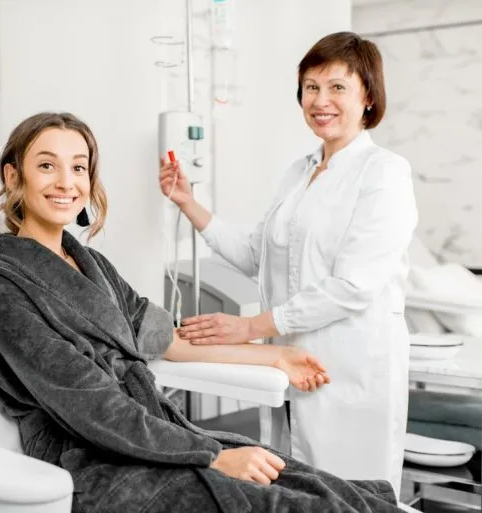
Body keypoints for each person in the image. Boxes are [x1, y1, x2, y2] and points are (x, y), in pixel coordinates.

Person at [0, 111, 409, 512]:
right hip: (91, 460)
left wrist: (275, 355)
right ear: (13, 176)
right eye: (47, 166)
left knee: (325, 488)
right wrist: (212, 456)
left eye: (78, 167)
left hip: (154, 435)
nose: (67, 182)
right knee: (284, 503)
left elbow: (169, 341)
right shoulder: (0, 285)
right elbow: (89, 405)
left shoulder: (91, 264)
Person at [159, 31, 418, 494]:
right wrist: (188, 202)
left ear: (368, 96)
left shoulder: (384, 173)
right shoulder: (299, 171)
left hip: (349, 367)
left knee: (348, 494)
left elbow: (353, 286)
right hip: (284, 365)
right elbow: (255, 255)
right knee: (291, 491)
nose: (320, 100)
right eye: (311, 87)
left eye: (337, 87)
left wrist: (248, 327)